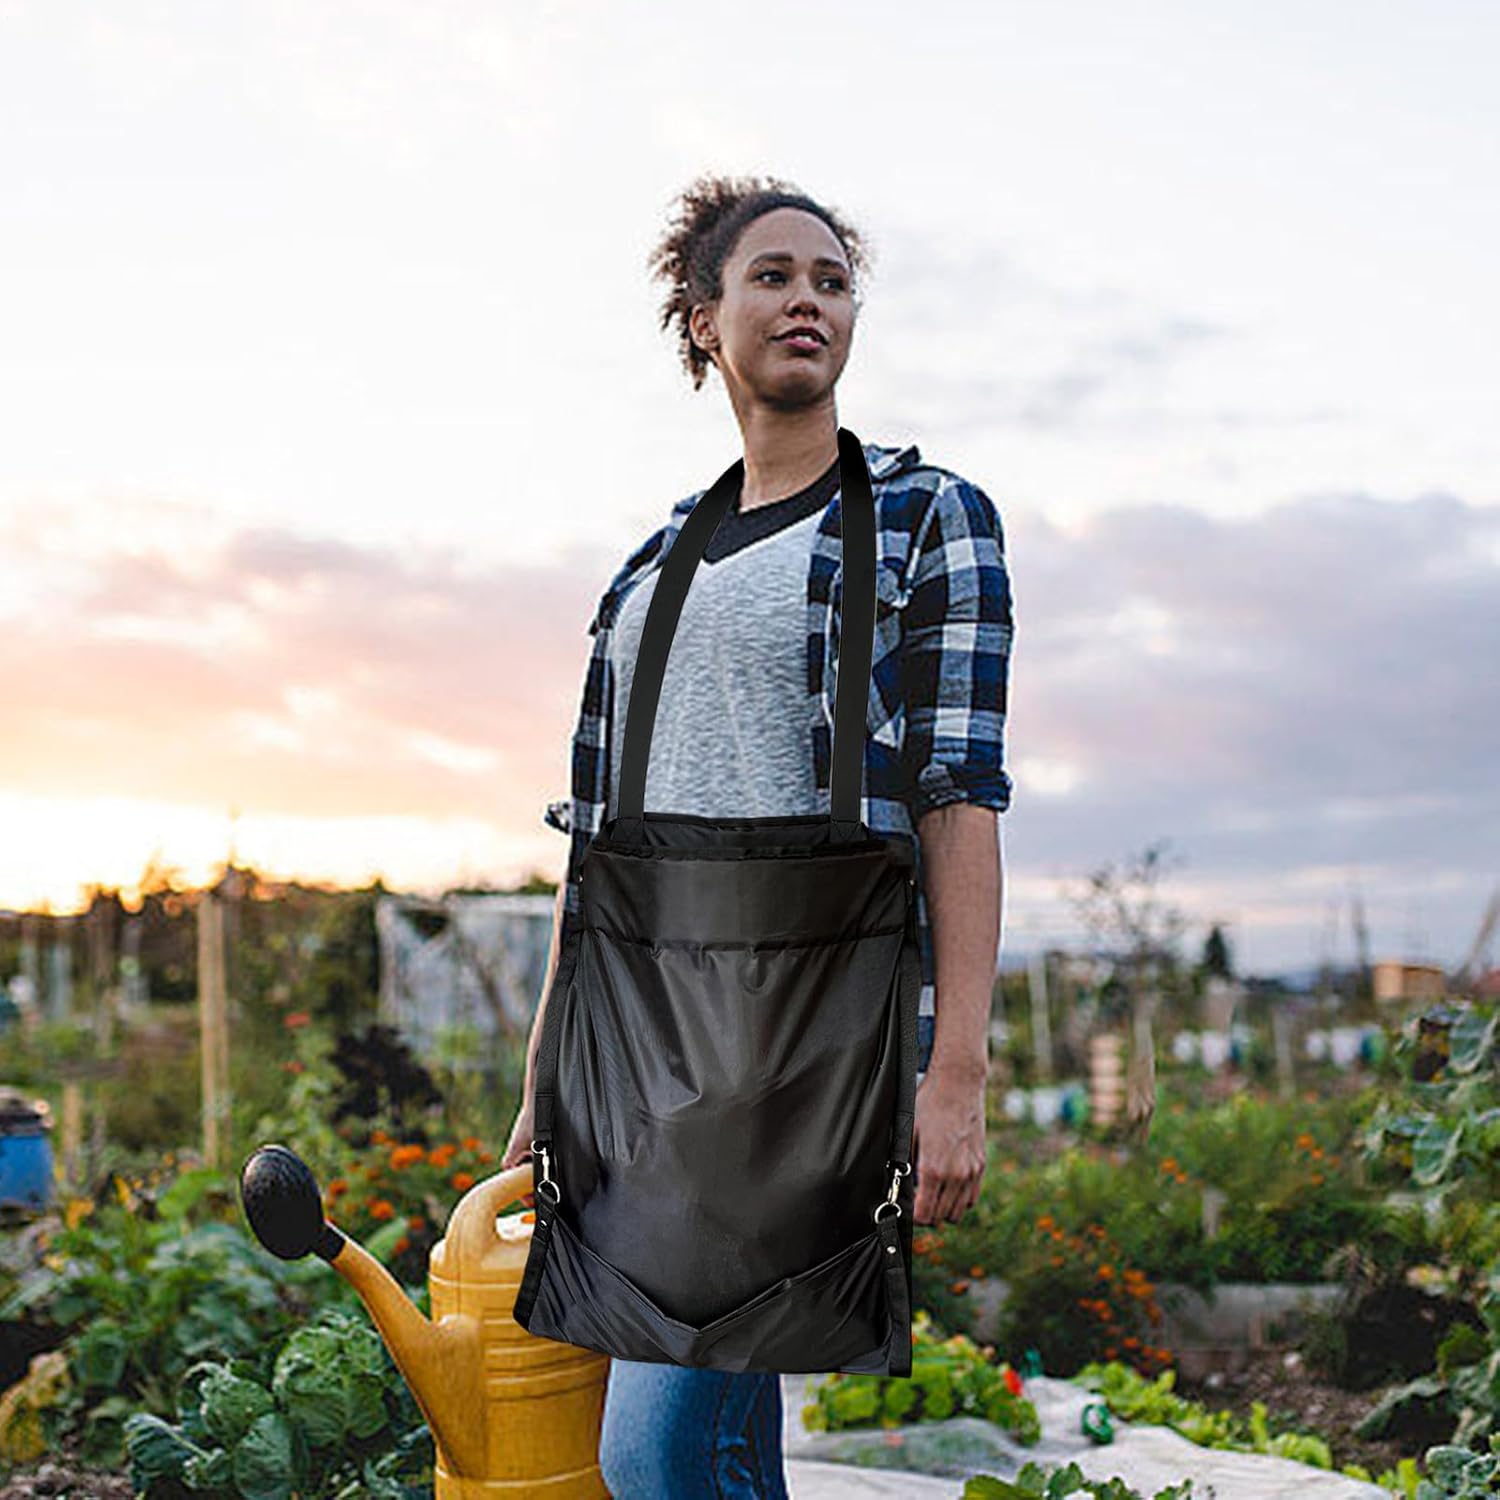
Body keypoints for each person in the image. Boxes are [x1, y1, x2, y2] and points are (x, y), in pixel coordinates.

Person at [502, 172, 1014, 1499]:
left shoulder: (924, 517)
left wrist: (954, 1074)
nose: (809, 300)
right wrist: (544, 1082)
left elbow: (960, 796)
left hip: (808, 1040)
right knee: (710, 1451)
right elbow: (595, 860)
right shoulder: (646, 577)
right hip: (646, 1057)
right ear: (703, 317)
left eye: (833, 280)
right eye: (774, 275)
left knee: (660, 1452)